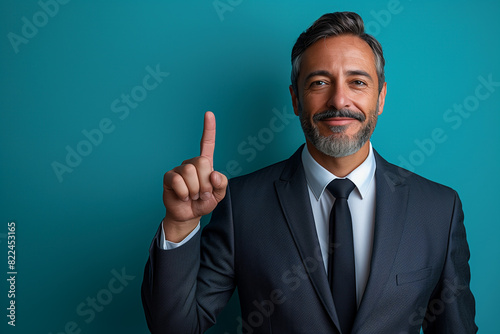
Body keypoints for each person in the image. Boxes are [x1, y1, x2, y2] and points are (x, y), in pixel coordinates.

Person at [141, 11, 477, 334]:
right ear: (296, 99)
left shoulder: (438, 210)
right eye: (319, 82)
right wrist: (181, 223)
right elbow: (176, 327)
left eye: (357, 82)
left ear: (381, 98)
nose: (339, 100)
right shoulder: (239, 205)